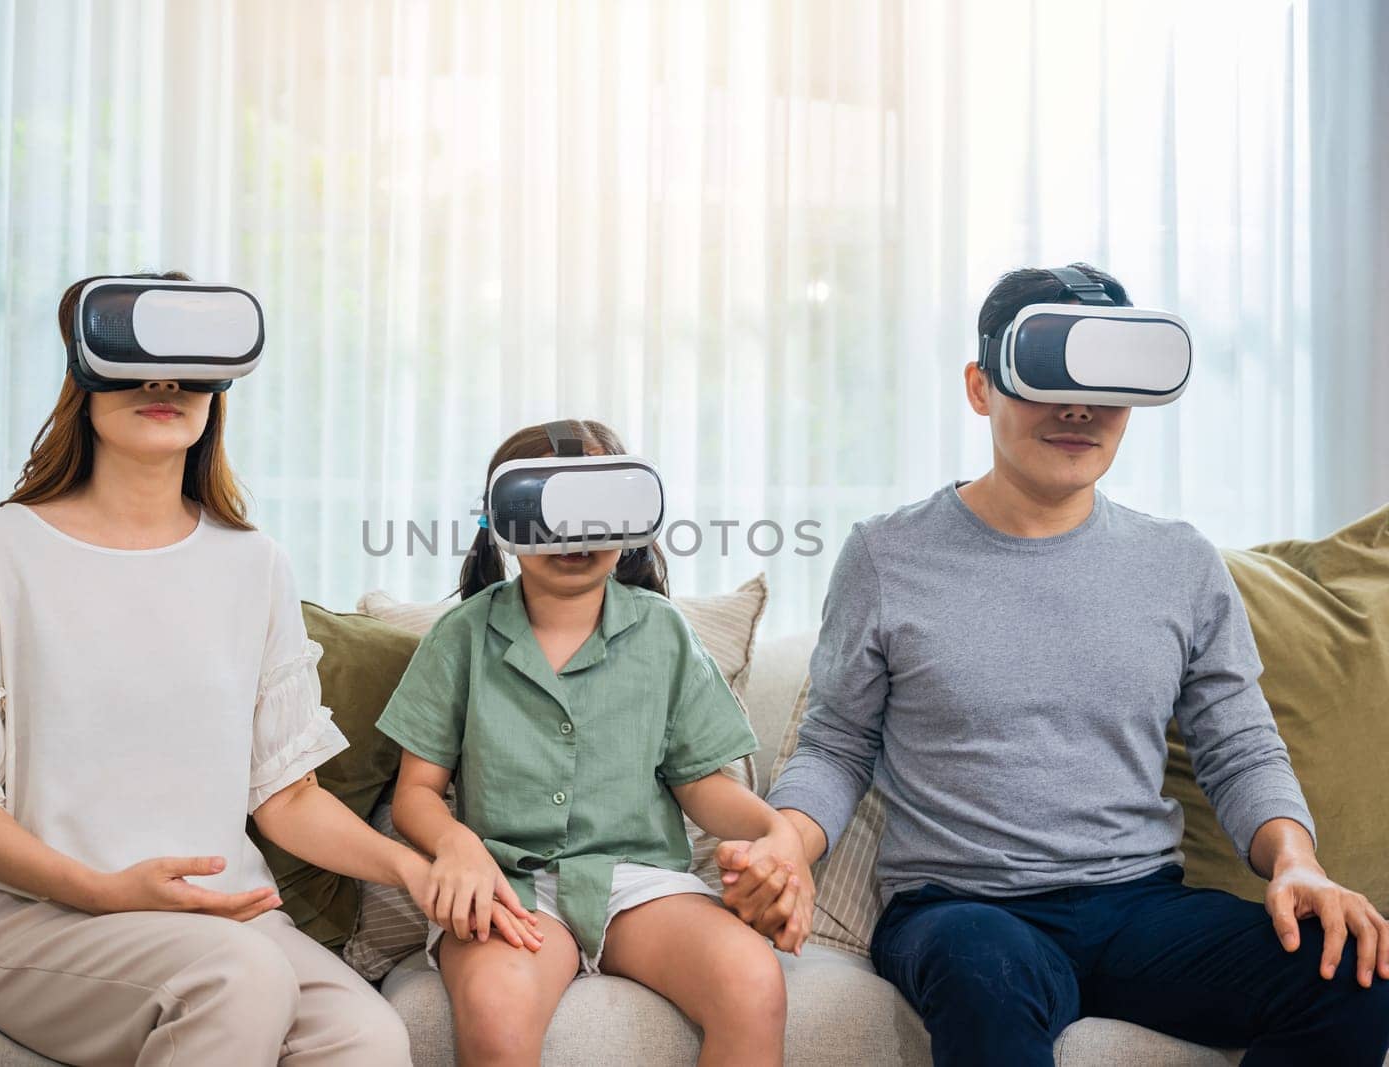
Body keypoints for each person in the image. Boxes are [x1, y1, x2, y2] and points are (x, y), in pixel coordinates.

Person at [718, 264, 1389, 1065]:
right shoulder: (886, 555)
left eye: (1103, 382)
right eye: (1047, 375)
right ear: (980, 386)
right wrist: (788, 839)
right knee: (982, 971)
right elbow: (837, 743)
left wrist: (1296, 861)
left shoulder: (1179, 562)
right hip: (962, 908)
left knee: (1352, 971)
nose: (1078, 408)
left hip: (1139, 907)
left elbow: (1239, 747)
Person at [0, 272, 434, 1066]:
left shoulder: (254, 564)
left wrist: (416, 868)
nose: (164, 382)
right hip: (36, 915)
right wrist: (102, 889)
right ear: (87, 373)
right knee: (238, 979)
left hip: (217, 919)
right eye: (138, 358)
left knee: (367, 1035)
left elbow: (287, 797)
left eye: (189, 363)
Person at [377, 419, 792, 1067]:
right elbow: (417, 792)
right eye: (546, 509)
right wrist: (454, 843)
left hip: (642, 882)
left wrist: (773, 831)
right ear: (505, 521)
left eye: (596, 510)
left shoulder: (665, 634)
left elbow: (703, 784)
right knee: (495, 1003)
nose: (573, 534)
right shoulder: (460, 638)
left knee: (751, 978)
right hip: (511, 885)